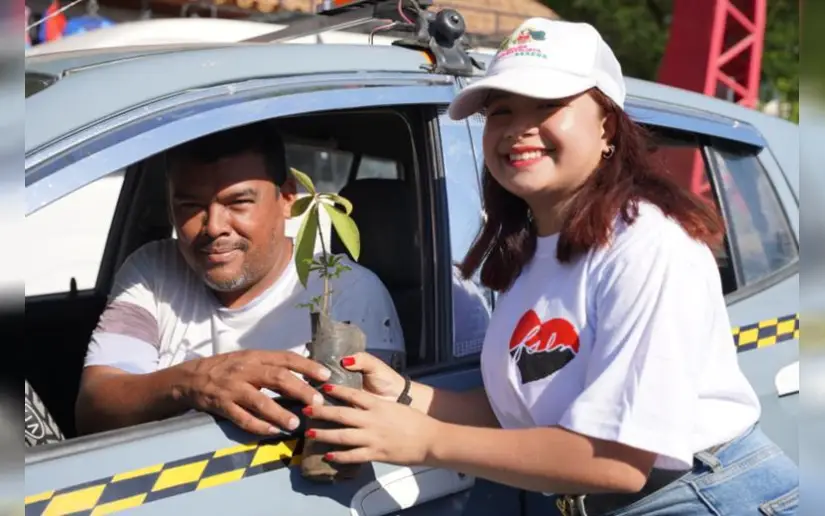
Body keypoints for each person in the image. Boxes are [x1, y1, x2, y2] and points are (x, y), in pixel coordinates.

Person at [300, 17, 799, 516]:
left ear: (607, 124)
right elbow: (524, 411)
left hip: (704, 499)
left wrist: (427, 440)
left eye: (547, 105)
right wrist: (405, 394)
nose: (518, 130)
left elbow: (617, 460)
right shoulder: (534, 249)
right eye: (501, 111)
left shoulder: (647, 245)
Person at [75, 122, 405, 437]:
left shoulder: (345, 290)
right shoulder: (153, 271)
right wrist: (192, 383)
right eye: (190, 206)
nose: (214, 226)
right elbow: (95, 409)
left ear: (288, 198)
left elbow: (371, 430)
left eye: (238, 203)